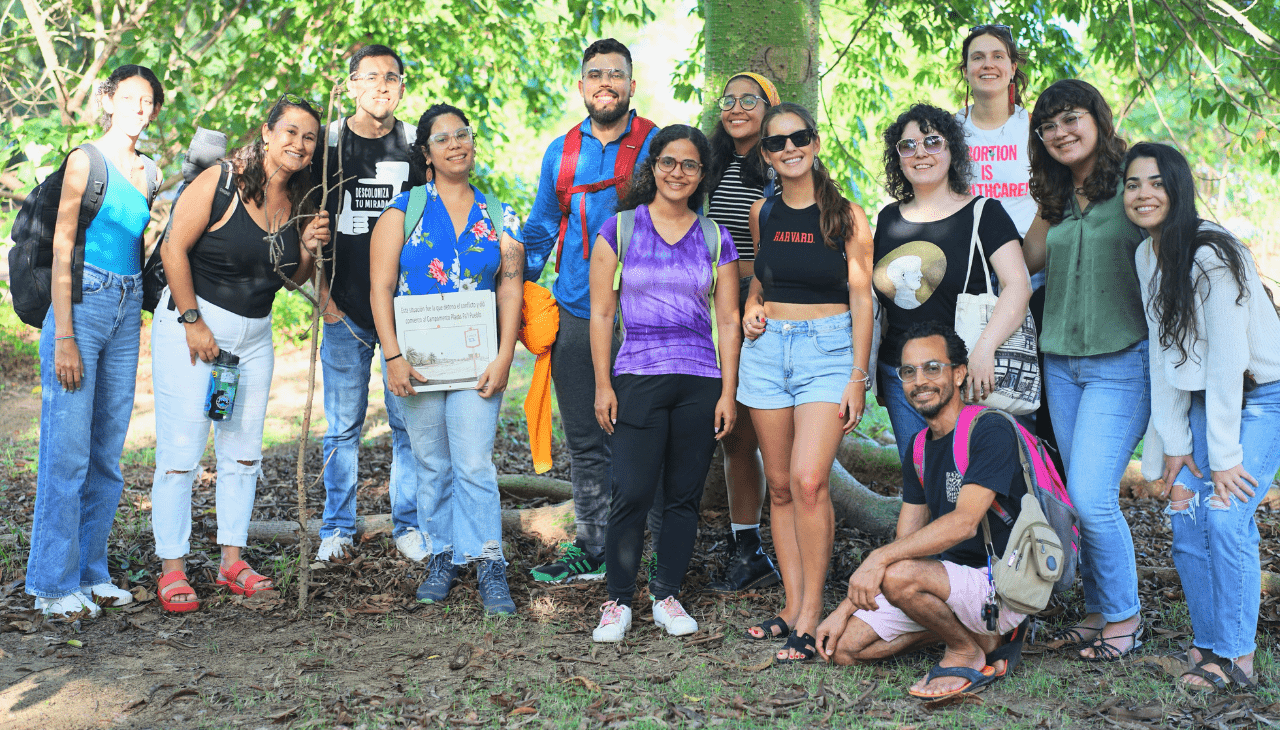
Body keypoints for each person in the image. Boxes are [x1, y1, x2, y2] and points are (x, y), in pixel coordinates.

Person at [151, 95, 329, 612]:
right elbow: (172, 249)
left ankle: (232, 559)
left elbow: (288, 279)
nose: (298, 144)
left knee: (243, 450)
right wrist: (193, 321)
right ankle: (173, 567)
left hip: (254, 339)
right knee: (182, 453)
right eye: (290, 132)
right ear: (268, 132)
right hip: (194, 329)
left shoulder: (299, 197)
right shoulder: (222, 182)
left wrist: (310, 248)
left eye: (309, 137)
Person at [1127, 142, 1280, 691]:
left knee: (1224, 516)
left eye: (1155, 183)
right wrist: (1173, 442)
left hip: (1262, 396)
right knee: (1185, 519)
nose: (1143, 194)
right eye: (1133, 184)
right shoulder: (1148, 255)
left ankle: (1238, 658)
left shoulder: (1212, 253)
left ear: (1178, 188)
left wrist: (1224, 458)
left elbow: (1227, 360)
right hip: (1202, 403)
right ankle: (1209, 643)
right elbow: (1163, 354)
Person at [814, 321, 1030, 699]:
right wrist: (844, 609)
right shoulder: (918, 446)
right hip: (946, 584)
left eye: (933, 367)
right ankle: (976, 636)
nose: (920, 381)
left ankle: (965, 648)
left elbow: (964, 523)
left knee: (898, 576)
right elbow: (907, 541)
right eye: (909, 372)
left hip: (1000, 583)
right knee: (845, 648)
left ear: (959, 373)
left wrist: (878, 560)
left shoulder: (990, 429)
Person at [369, 104, 525, 615]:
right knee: (431, 462)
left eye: (464, 133)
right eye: (443, 138)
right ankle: (441, 553)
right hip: (418, 362)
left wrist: (505, 356)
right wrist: (391, 355)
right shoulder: (402, 210)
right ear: (426, 153)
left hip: (479, 362)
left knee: (475, 461)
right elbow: (381, 287)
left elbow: (510, 286)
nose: (456, 143)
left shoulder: (501, 214)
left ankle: (488, 560)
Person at [587, 125, 742, 641]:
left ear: (702, 175)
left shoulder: (717, 237)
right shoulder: (620, 229)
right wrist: (602, 385)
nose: (678, 173)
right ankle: (617, 601)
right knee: (630, 491)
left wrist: (727, 392)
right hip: (636, 377)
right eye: (669, 162)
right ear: (653, 167)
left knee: (682, 496)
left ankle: (666, 595)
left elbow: (729, 321)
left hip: (700, 380)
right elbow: (602, 312)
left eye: (690, 165)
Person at [25, 65, 164, 617]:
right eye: (127, 97)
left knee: (107, 452)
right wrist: (63, 337)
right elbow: (62, 246)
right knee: (66, 451)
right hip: (81, 305)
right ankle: (52, 585)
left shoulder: (150, 172)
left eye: (147, 100)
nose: (137, 107)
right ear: (108, 102)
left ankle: (91, 572)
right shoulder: (86, 160)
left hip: (127, 309)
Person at [738, 103, 874, 662]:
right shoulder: (760, 212)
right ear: (766, 155)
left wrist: (858, 376)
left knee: (810, 479)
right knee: (781, 486)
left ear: (814, 143)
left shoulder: (847, 215)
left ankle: (813, 610)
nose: (789, 148)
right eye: (776, 143)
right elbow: (760, 277)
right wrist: (751, 304)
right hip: (767, 352)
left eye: (798, 138)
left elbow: (862, 296)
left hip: (828, 351)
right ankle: (792, 608)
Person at [523, 39, 659, 583]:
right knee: (584, 437)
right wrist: (510, 289)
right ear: (581, 86)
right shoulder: (561, 151)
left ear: (631, 85)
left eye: (616, 74)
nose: (605, 82)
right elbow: (540, 227)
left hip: (645, 316)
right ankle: (592, 547)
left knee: (644, 431)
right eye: (594, 73)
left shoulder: (656, 144)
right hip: (576, 312)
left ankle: (645, 551)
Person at [1022, 80, 1149, 660]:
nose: (1060, 133)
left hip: (1121, 360)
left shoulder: (1132, 186)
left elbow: (1178, 243)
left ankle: (1124, 617)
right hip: (1061, 363)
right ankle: (1098, 612)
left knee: (1092, 495)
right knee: (1080, 496)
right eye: (1048, 127)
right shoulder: (1056, 198)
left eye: (1071, 119)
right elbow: (1027, 263)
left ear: (1097, 118)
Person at [311, 44, 425, 563]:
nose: (381, 86)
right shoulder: (328, 145)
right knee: (342, 424)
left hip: (404, 313)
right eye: (370, 77)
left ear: (402, 86)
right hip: (345, 310)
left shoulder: (414, 146)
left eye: (391, 78)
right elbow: (304, 225)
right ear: (352, 84)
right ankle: (336, 528)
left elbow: (432, 223)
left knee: (407, 421)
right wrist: (324, 300)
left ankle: (409, 524)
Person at [872, 103, 1030, 464]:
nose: (920, 152)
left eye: (932, 141)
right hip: (901, 376)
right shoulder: (888, 218)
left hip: (964, 373)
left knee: (967, 480)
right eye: (907, 145)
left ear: (952, 150)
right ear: (898, 157)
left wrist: (984, 351)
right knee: (921, 479)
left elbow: (1018, 285)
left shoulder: (984, 212)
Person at [955, 23, 1060, 460]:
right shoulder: (949, 132)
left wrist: (1025, 261)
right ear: (964, 70)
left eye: (998, 56)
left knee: (1028, 396)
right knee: (973, 392)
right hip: (969, 279)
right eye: (977, 57)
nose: (988, 65)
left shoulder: (1038, 130)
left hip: (1033, 274)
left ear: (1013, 67)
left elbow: (1058, 194)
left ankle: (1037, 501)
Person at [703, 71, 783, 593]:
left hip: (763, 304)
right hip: (707, 309)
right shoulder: (705, 165)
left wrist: (747, 282)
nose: (736, 108)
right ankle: (745, 543)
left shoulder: (781, 163)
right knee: (730, 430)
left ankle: (777, 544)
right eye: (728, 100)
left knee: (762, 425)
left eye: (748, 100)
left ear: (769, 109)